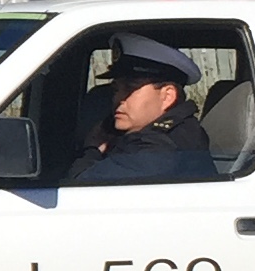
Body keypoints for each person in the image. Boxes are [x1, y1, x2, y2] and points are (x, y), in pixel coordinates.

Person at [67, 33, 214, 183]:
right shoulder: (172, 132)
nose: (119, 99)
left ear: (167, 96)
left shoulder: (156, 150)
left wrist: (93, 149)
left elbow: (76, 186)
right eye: (117, 89)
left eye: (130, 89)